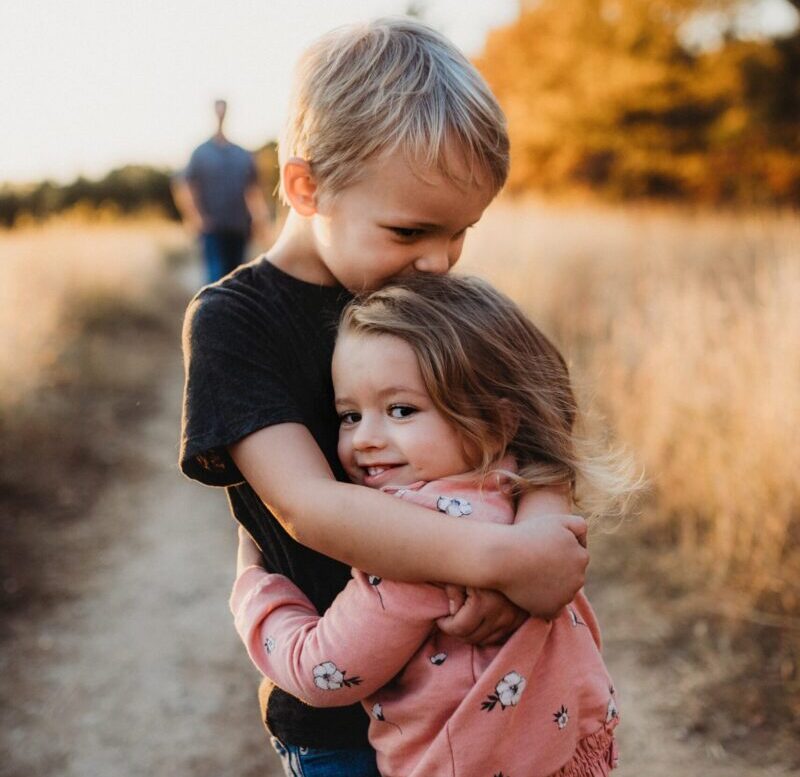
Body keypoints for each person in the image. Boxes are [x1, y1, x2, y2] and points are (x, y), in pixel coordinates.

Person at [180, 18, 589, 777]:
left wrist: (536, 538)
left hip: (491, 687)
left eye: (460, 233)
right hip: (343, 714)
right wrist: (500, 558)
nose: (437, 262)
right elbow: (311, 506)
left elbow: (540, 419)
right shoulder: (237, 322)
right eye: (409, 230)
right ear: (307, 187)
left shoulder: (428, 295)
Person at [231, 274, 635, 776]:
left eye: (401, 410)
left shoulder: (411, 543)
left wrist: (255, 589)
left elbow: (322, 671)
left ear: (496, 420)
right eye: (350, 416)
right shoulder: (520, 490)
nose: (365, 440)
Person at [172, 99, 270, 284]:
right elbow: (185, 186)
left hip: (239, 226)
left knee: (236, 278)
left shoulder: (241, 154)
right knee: (216, 278)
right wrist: (195, 217)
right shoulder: (200, 153)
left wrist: (260, 221)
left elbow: (253, 191)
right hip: (212, 228)